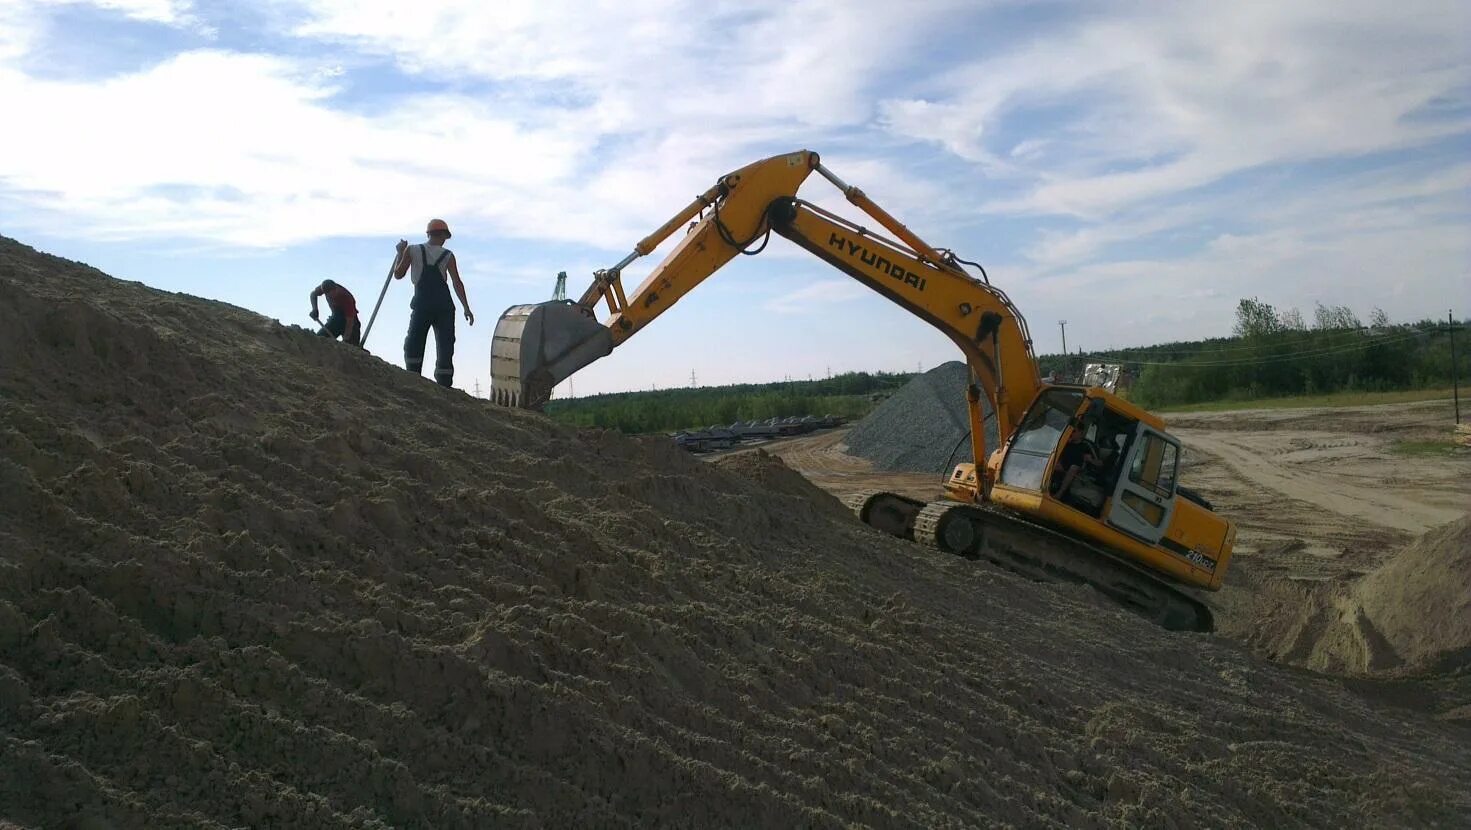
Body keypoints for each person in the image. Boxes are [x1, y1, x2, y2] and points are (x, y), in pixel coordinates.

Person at [393, 218, 474, 387]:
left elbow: (398, 274)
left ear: (429, 233)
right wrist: (466, 307)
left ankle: (413, 380)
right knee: (445, 345)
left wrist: (400, 252)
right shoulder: (448, 255)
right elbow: (457, 282)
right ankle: (444, 386)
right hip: (444, 306)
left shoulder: (412, 250)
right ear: (444, 235)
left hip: (422, 304)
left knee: (414, 342)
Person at [1051, 428, 1101, 500]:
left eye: (1074, 431)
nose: (1071, 433)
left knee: (1073, 467)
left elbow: (1100, 464)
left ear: (1081, 433)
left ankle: (1059, 493)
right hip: (1062, 467)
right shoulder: (1066, 443)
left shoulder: (1087, 445)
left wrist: (1090, 460)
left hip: (1079, 471)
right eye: (1070, 431)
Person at [309, 279, 361, 346]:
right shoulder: (325, 287)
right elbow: (313, 294)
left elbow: (350, 321)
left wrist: (346, 339)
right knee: (319, 339)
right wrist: (315, 309)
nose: (330, 297)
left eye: (332, 294)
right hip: (336, 319)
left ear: (336, 289)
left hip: (352, 323)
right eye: (327, 295)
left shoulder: (346, 298)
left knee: (352, 348)